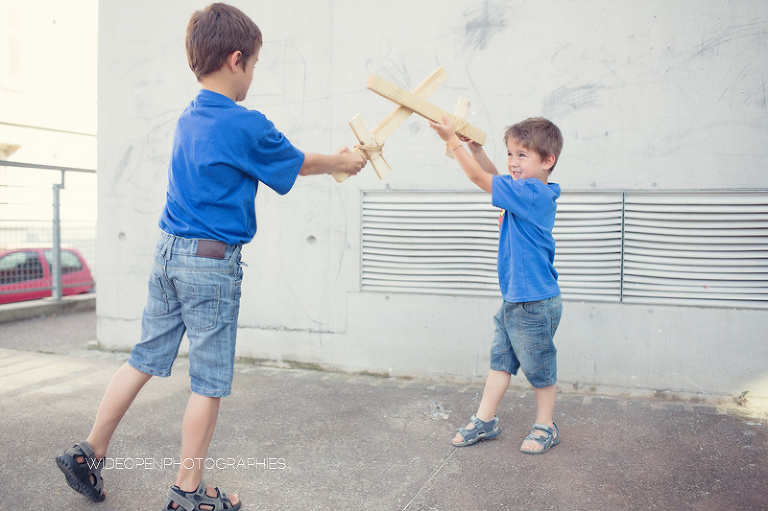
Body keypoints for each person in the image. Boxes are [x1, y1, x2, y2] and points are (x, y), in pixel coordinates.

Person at [55, 3, 366, 510]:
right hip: (209, 264)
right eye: (255, 66)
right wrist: (344, 161)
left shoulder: (188, 117)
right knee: (209, 382)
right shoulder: (245, 123)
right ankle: (187, 493)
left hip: (167, 254)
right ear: (236, 59)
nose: (252, 78)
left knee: (143, 359)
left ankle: (89, 451)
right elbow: (299, 163)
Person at [428, 115, 564, 454]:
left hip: (535, 301)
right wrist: (478, 150)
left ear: (548, 161)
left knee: (540, 367)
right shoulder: (528, 188)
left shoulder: (532, 193)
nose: (514, 162)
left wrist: (453, 142)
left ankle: (546, 426)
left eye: (523, 155)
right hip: (516, 298)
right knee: (501, 361)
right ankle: (485, 420)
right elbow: (498, 177)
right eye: (510, 153)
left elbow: (479, 179)